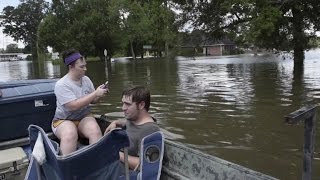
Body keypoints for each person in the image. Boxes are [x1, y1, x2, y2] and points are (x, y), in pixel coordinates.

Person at [52, 48, 108, 155]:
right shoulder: (62, 84)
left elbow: (93, 101)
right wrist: (95, 93)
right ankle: (66, 167)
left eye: (85, 66)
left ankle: (97, 164)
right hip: (63, 120)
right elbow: (73, 106)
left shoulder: (86, 80)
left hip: (84, 117)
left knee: (95, 130)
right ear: (70, 67)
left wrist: (100, 94)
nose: (85, 69)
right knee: (70, 134)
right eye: (81, 67)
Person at [104, 86, 160, 170]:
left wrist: (116, 153)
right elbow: (127, 123)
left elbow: (144, 165)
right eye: (123, 103)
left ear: (141, 105)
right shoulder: (133, 118)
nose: (123, 108)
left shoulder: (149, 130)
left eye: (128, 104)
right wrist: (115, 122)